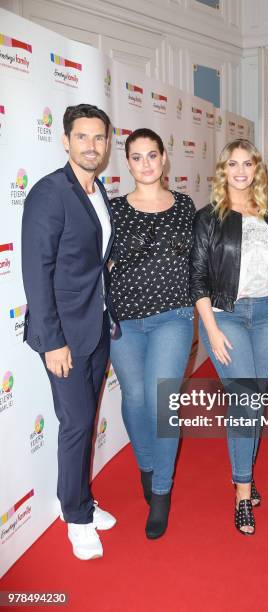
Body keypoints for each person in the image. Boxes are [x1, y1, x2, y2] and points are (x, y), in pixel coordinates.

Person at [21, 104, 117, 561]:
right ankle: (76, 517)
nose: (92, 146)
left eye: (99, 138)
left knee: (84, 420)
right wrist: (53, 341)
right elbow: (36, 273)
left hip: (96, 325)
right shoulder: (49, 192)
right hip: (63, 334)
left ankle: (76, 499)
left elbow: (92, 258)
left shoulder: (97, 192)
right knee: (77, 424)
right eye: (83, 137)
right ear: (65, 141)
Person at [190, 139, 268, 535]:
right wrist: (210, 329)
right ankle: (243, 494)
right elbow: (196, 278)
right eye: (233, 163)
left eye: (248, 163)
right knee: (245, 399)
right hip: (226, 316)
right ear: (223, 170)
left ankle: (242, 472)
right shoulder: (209, 216)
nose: (241, 171)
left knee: (252, 403)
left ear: (257, 169)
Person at [109, 128, 195, 539]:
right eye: (137, 157)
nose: (146, 164)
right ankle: (147, 464)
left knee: (163, 403)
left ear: (164, 159)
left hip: (172, 317)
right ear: (127, 163)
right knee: (136, 398)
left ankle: (161, 491)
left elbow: (200, 262)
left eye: (152, 156)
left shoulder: (185, 206)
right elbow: (95, 262)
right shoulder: (111, 209)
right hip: (124, 320)